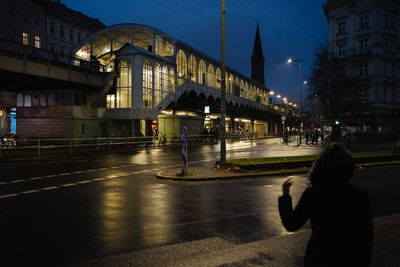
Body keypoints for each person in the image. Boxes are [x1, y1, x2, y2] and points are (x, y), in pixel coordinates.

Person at [278, 143, 373, 267]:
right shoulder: (360, 196)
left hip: (319, 257)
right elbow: (366, 238)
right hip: (349, 258)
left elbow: (291, 224)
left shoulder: (313, 193)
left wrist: (285, 196)